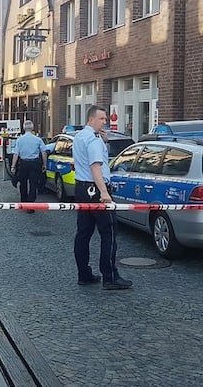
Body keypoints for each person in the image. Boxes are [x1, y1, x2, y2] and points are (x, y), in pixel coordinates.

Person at [72, 105, 131, 290]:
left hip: (81, 188)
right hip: (96, 190)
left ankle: (84, 274)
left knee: (84, 232)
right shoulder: (94, 140)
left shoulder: (80, 136)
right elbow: (96, 167)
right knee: (109, 231)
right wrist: (104, 193)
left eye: (105, 119)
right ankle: (110, 277)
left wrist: (104, 142)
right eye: (102, 119)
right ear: (91, 119)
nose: (105, 122)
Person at [10, 120, 47, 212]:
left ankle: (24, 203)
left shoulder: (19, 140)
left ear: (24, 128)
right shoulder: (38, 140)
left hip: (23, 163)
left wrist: (13, 166)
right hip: (34, 163)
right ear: (32, 128)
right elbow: (44, 152)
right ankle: (31, 205)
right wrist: (44, 164)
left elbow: (16, 154)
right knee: (33, 184)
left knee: (23, 184)